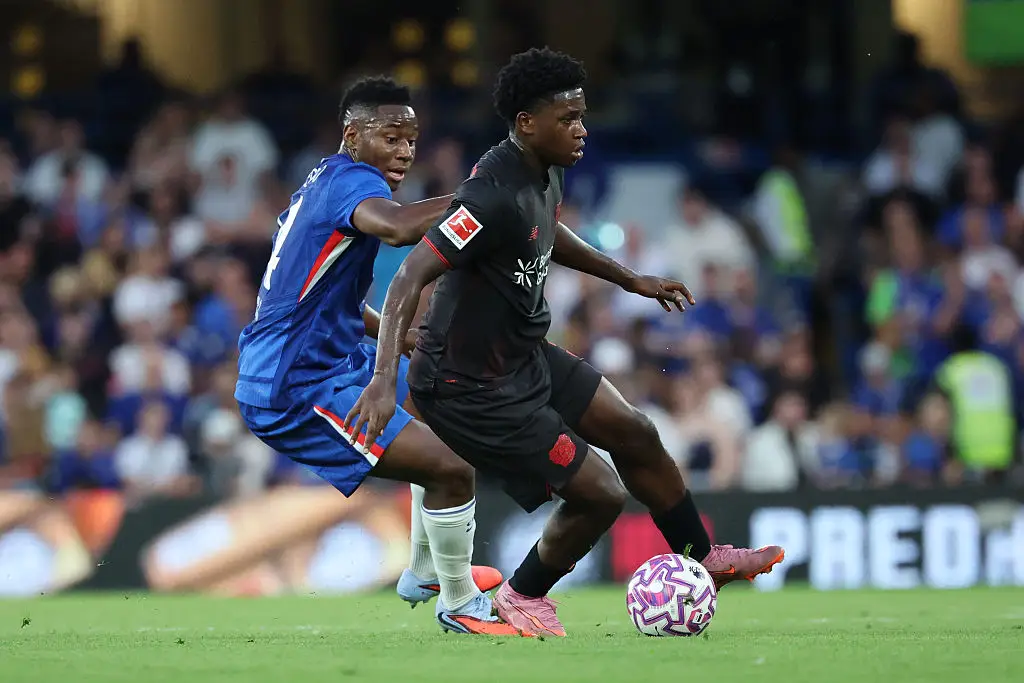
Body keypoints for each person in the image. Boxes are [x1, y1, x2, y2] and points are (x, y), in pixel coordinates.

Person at [348, 48, 785, 637]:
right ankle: (520, 596)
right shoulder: (489, 195)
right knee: (600, 494)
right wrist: (382, 380)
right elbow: (409, 276)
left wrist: (631, 279)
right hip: (467, 383)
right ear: (527, 123)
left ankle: (700, 554)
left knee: (635, 432)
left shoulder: (542, 171)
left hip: (521, 355)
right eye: (569, 119)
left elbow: (548, 230)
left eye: (583, 115)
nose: (582, 130)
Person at [233, 77, 520, 636]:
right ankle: (458, 601)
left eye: (411, 140)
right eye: (391, 138)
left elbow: (319, 294)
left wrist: (402, 338)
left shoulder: (326, 180)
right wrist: (483, 195)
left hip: (323, 360)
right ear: (353, 135)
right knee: (452, 467)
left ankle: (423, 570)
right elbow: (396, 229)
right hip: (295, 387)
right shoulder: (353, 183)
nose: (404, 152)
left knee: (446, 397)